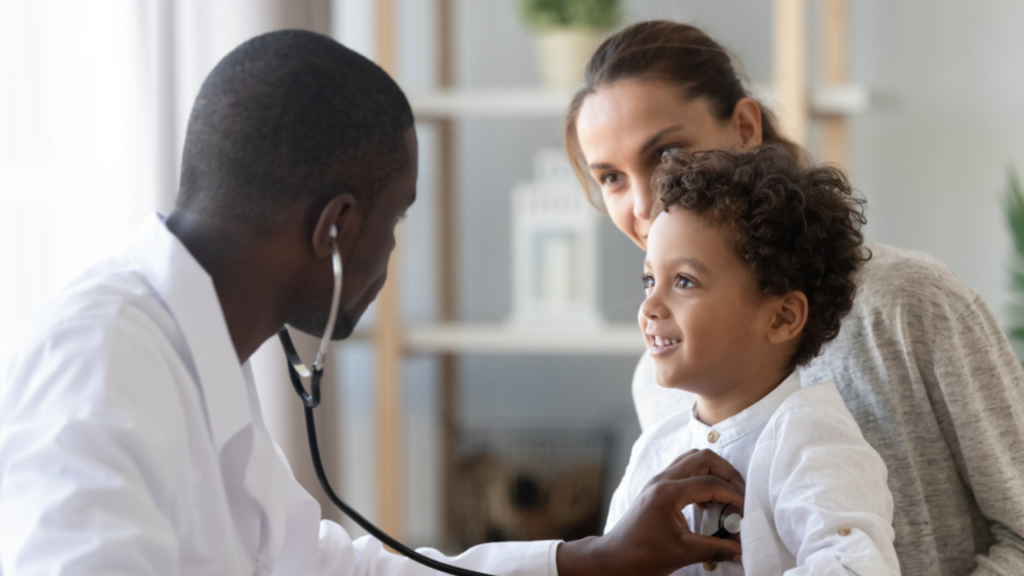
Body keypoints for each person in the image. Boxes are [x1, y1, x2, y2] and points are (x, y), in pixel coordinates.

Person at [0, 30, 745, 576]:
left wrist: (596, 558)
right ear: (335, 228)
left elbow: (330, 570)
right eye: (394, 221)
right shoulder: (95, 362)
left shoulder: (193, 355)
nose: (390, 252)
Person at [565, 20, 1024, 576]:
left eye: (666, 155)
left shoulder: (910, 306)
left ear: (744, 126)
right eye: (611, 178)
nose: (644, 203)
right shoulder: (663, 384)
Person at [606, 146, 899, 575]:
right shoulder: (655, 449)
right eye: (650, 279)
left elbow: (855, 569)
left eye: (684, 281)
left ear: (781, 317)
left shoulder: (812, 439)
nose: (650, 305)